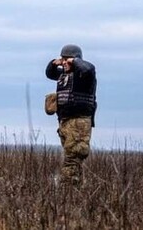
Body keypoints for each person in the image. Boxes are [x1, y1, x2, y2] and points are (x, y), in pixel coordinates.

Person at [45, 44, 97, 185]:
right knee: (71, 157)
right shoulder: (64, 75)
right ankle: (76, 190)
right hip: (65, 122)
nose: (65, 63)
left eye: (68, 60)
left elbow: (88, 68)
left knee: (72, 158)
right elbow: (49, 73)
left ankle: (67, 191)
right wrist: (54, 63)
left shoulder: (85, 76)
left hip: (79, 122)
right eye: (63, 60)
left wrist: (74, 61)